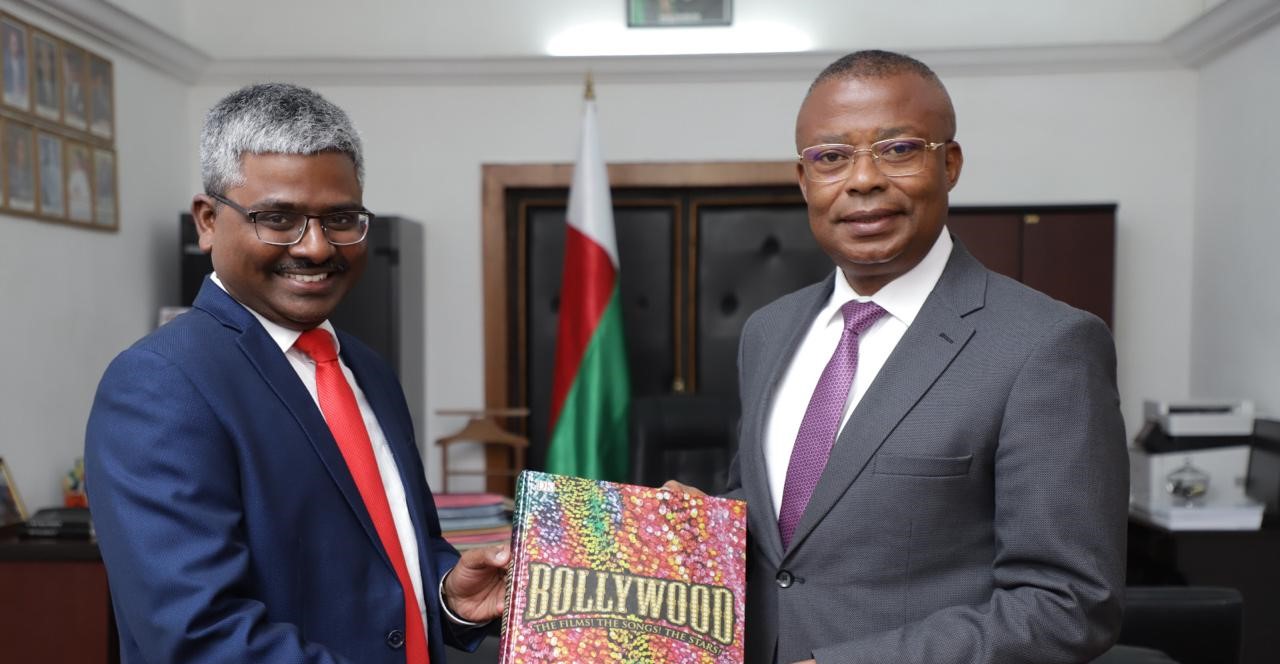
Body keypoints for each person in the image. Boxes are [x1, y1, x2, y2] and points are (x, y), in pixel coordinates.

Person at [669, 50, 1129, 664]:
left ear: (951, 164)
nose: (862, 180)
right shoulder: (768, 331)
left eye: (898, 149)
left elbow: (1068, 605)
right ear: (804, 180)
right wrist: (676, 535)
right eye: (831, 157)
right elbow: (781, 530)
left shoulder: (1048, 345)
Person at [86, 83, 508, 664]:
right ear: (207, 222)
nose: (315, 247)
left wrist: (449, 596)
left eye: (339, 217)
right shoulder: (161, 384)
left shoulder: (368, 369)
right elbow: (199, 637)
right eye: (277, 218)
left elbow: (387, 560)